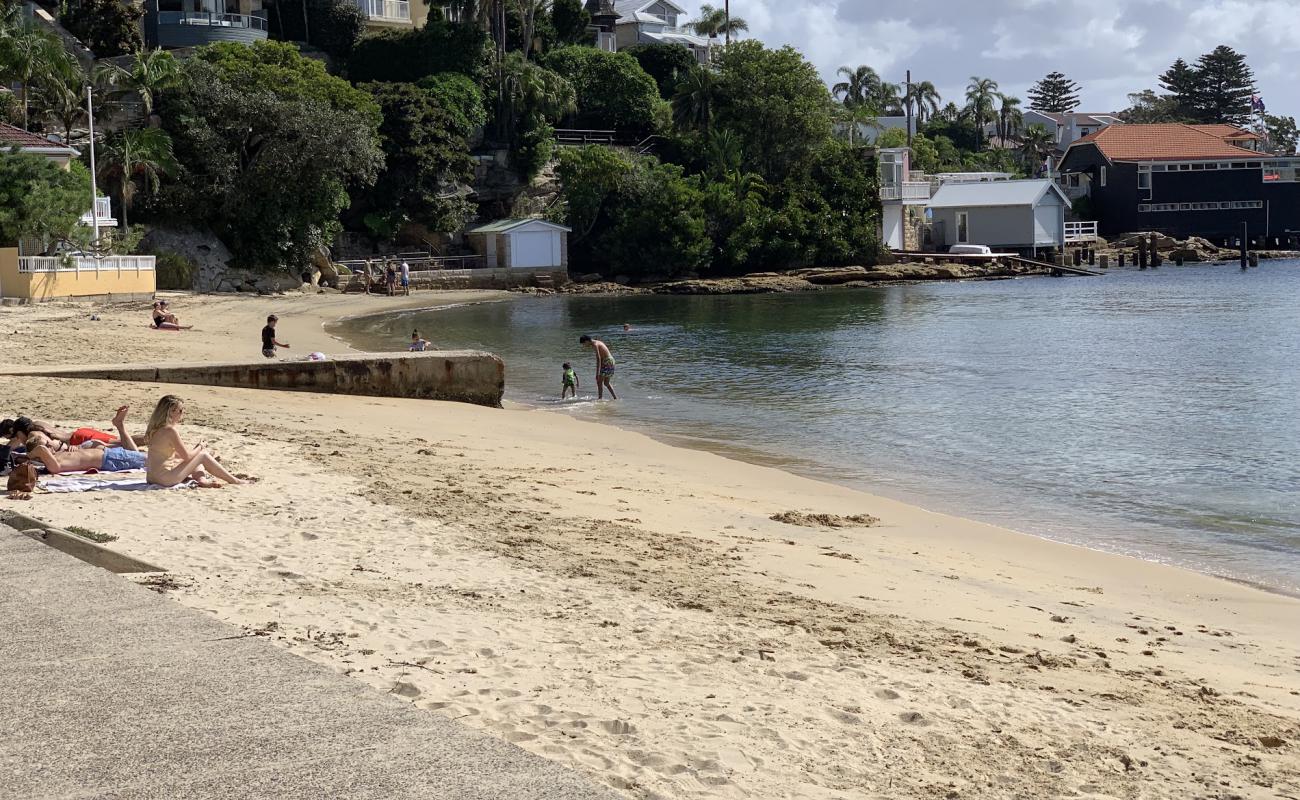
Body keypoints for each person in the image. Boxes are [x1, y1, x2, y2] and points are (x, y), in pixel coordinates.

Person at [144, 395, 247, 488]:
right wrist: (200, 446)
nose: (182, 413)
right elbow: (187, 457)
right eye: (180, 411)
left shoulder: (154, 428)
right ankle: (235, 481)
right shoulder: (170, 430)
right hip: (165, 479)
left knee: (195, 458)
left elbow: (171, 455)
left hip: (151, 478)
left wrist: (195, 452)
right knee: (203, 455)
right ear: (170, 412)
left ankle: (202, 480)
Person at [23, 406, 146, 475]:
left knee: (142, 456)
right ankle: (120, 425)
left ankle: (120, 425)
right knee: (148, 459)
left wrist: (77, 448)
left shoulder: (58, 456)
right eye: (46, 445)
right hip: (110, 459)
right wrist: (31, 454)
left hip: (109, 455)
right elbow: (43, 452)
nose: (50, 445)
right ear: (39, 455)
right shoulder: (54, 464)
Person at [579, 335, 617, 400]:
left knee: (599, 381)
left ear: (587, 341)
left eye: (584, 344)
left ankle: (600, 399)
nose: (584, 346)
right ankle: (615, 398)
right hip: (611, 361)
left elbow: (598, 358)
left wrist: (597, 373)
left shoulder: (595, 344)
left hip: (607, 361)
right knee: (606, 383)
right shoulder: (597, 342)